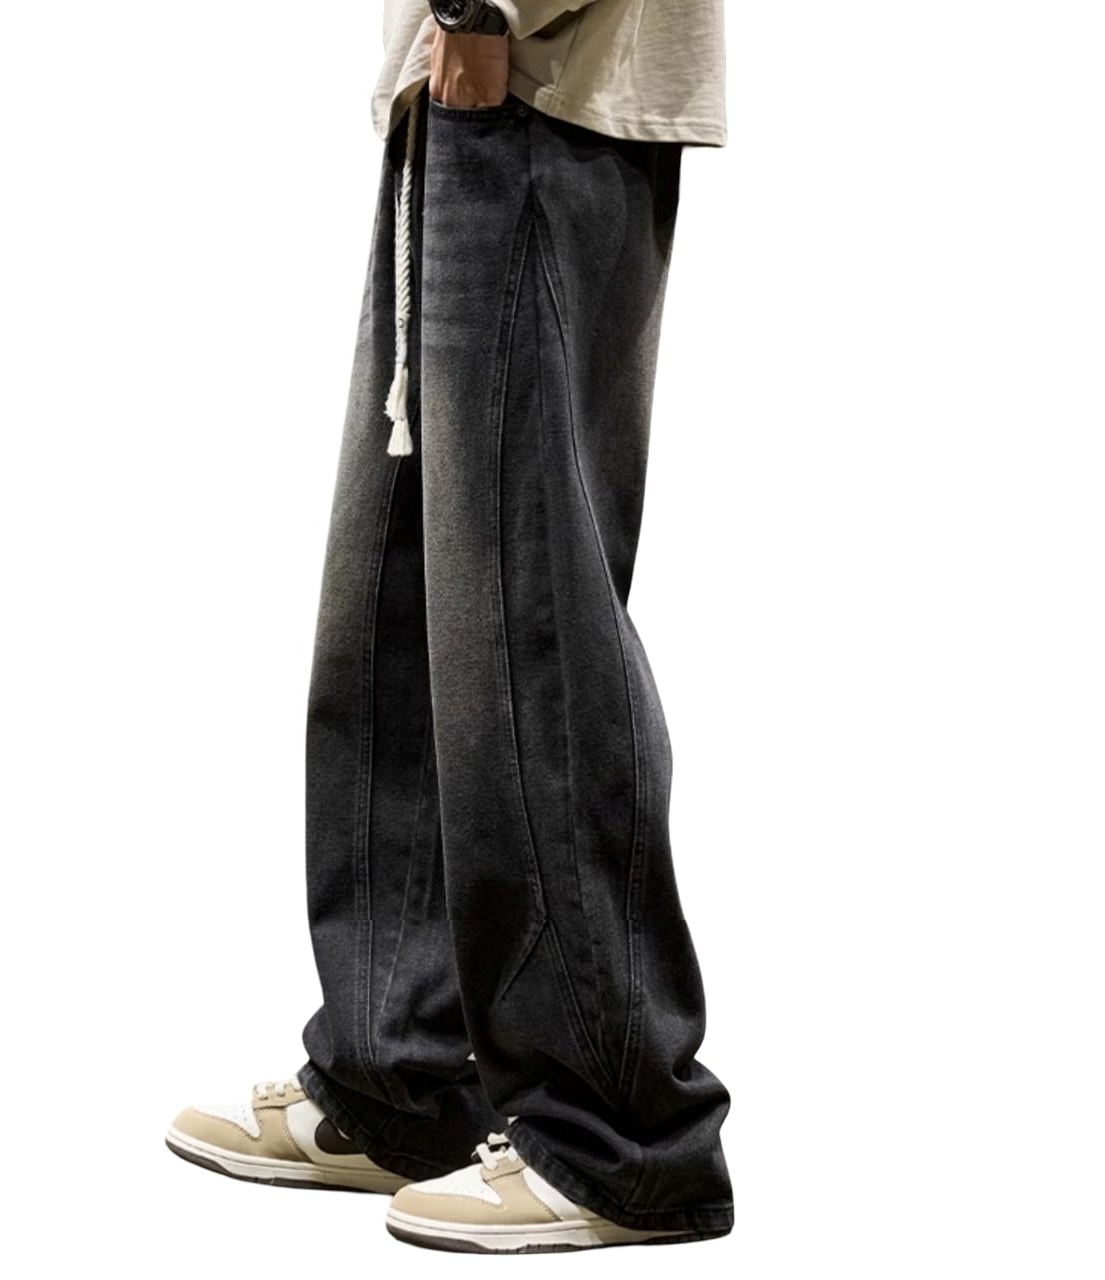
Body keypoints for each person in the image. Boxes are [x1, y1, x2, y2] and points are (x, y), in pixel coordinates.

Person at [165, 0, 733, 1253]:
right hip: (464, 90)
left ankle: (619, 1137)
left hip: (523, 80)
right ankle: (399, 1078)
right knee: (400, 613)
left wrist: (485, 10)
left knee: (528, 633)